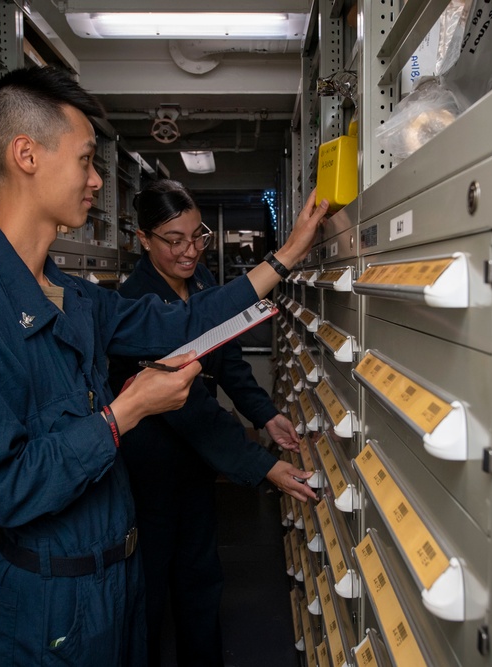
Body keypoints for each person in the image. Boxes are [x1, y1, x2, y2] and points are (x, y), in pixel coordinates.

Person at [0, 66, 328, 667]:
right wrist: (125, 412)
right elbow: (0, 489)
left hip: (115, 582)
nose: (95, 180)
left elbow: (182, 323)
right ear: (26, 155)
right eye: (85, 160)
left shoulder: (69, 294)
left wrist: (285, 257)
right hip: (49, 605)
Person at [107, 180, 318, 667]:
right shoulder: (136, 304)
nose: (190, 250)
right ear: (143, 239)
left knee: (201, 581)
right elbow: (190, 409)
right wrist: (263, 465)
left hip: (196, 466)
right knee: (146, 594)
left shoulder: (200, 282)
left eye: (197, 235)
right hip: (149, 473)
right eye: (173, 239)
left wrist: (266, 415)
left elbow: (230, 362)